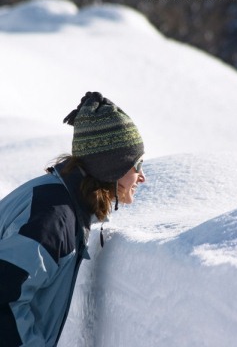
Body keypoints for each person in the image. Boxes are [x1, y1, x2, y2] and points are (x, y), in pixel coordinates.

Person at [0, 91, 145, 347]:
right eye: (137, 164)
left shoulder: (58, 200)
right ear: (112, 167)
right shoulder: (54, 217)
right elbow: (4, 296)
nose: (142, 176)